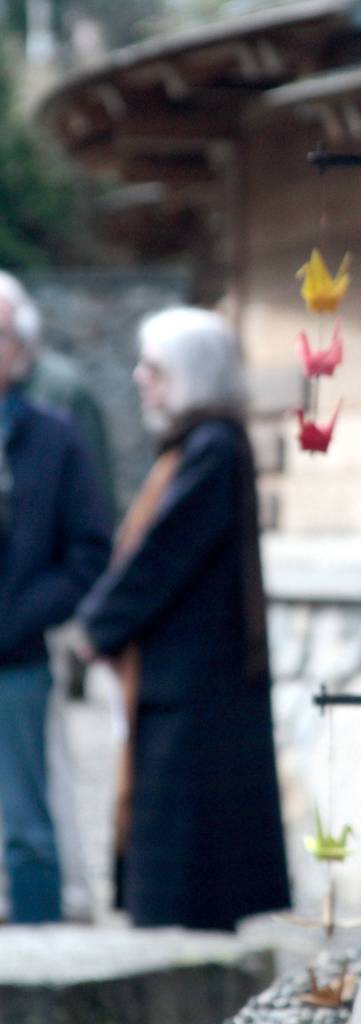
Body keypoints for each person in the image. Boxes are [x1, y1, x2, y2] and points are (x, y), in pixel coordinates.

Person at [78, 307, 290, 930]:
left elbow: (160, 556)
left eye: (156, 368)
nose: (141, 377)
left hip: (195, 686)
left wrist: (97, 627)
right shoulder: (202, 446)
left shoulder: (213, 449)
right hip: (188, 681)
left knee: (186, 866)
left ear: (191, 375)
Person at [0, 274, 111, 923]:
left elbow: (89, 553)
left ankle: (43, 977)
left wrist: (20, 613)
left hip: (16, 658)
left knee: (28, 829)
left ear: (22, 350)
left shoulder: (54, 436)